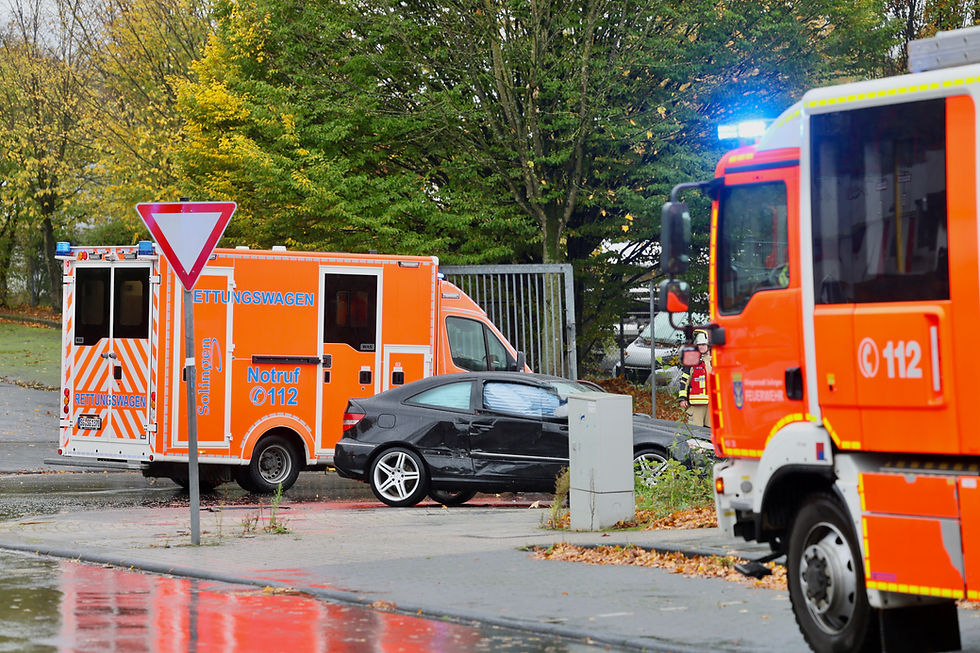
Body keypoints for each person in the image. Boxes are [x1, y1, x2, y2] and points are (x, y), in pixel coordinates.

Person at [678, 329, 711, 427]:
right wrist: (682, 398)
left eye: (703, 344)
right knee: (696, 431)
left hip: (713, 404)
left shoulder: (715, 360)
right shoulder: (692, 360)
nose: (701, 347)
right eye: (699, 345)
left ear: (709, 345)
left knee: (711, 432)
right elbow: (684, 380)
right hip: (697, 404)